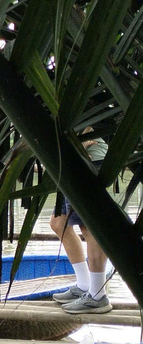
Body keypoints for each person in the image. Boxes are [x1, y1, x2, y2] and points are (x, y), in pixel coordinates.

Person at [51, 131, 112, 314]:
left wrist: (79, 144)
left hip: (91, 160)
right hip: (72, 162)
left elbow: (89, 125)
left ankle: (97, 296)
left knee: (90, 226)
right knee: (58, 222)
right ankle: (85, 285)